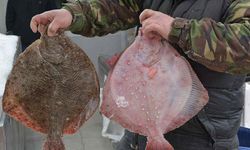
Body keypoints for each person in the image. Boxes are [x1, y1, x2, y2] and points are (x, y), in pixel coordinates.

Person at [30, 0, 250, 149]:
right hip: (137, 134)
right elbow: (118, 5)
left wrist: (176, 29)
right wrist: (72, 14)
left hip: (202, 137)